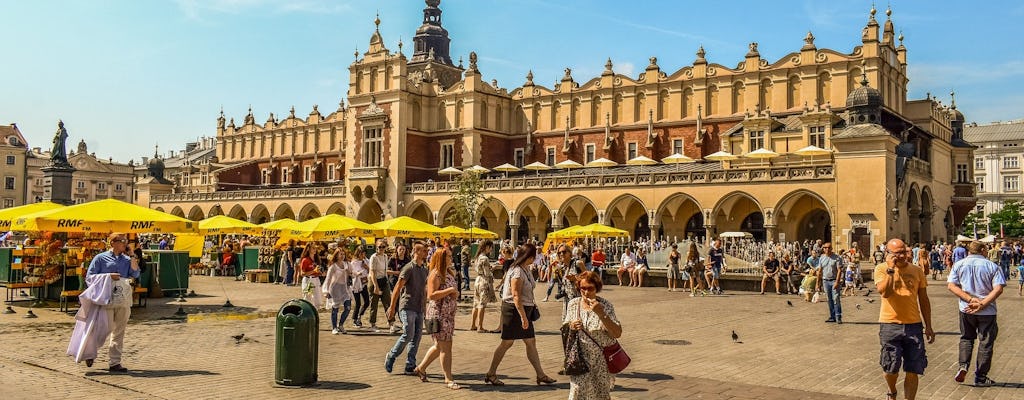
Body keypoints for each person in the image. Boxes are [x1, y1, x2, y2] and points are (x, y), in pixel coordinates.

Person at [483, 243, 556, 386]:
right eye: (533, 257)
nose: (534, 260)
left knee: (530, 341)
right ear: (528, 257)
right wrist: (523, 316)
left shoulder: (525, 269)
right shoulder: (516, 271)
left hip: (524, 309)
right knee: (507, 342)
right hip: (513, 310)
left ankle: (540, 374)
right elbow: (516, 295)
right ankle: (491, 373)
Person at [875, 238, 935, 400]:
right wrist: (890, 269)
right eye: (898, 253)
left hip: (913, 325)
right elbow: (885, 293)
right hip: (889, 324)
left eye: (904, 251)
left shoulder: (916, 271)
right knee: (890, 368)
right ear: (888, 253)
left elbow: (923, 299)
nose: (902, 255)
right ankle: (892, 390)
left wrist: (928, 325)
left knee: (913, 368)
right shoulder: (881, 269)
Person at [947, 241, 1006, 387]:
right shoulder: (992, 266)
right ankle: (980, 377)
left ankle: (963, 366)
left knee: (967, 338)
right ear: (983, 250)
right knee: (985, 343)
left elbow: (951, 286)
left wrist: (969, 299)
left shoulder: (959, 265)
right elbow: (998, 289)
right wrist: (982, 303)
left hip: (966, 308)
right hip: (987, 311)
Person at [82, 232, 140, 372]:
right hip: (106, 298)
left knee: (119, 330)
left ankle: (115, 362)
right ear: (112, 242)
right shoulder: (100, 258)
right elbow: (89, 278)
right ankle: (90, 352)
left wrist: (132, 254)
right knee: (105, 328)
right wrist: (108, 276)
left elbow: (136, 273)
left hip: (123, 298)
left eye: (126, 241)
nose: (125, 243)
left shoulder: (127, 260)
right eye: (121, 241)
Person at [563, 271, 623, 400]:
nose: (586, 292)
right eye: (582, 288)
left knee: (600, 393)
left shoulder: (605, 305)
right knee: (577, 391)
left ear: (597, 288)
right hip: (580, 358)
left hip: (600, 359)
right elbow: (566, 327)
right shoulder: (573, 304)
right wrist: (572, 326)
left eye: (590, 288)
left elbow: (617, 333)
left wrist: (601, 314)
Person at [413, 248, 461, 389]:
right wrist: (450, 291)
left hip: (448, 315)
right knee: (446, 346)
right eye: (449, 257)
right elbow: (431, 295)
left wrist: (454, 294)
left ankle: (420, 368)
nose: (451, 259)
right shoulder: (435, 274)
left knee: (439, 346)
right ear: (441, 258)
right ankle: (448, 378)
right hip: (438, 315)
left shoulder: (449, 273)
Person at [385, 241, 429, 375]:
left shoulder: (424, 269)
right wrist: (392, 308)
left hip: (419, 307)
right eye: (424, 251)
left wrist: (426, 308)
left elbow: (425, 290)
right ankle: (391, 355)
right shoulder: (409, 268)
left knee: (417, 337)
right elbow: (398, 287)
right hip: (407, 306)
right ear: (416, 252)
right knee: (408, 334)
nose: (426, 253)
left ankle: (410, 364)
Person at [322, 249, 353, 335]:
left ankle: (341, 325)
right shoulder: (333, 266)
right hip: (335, 288)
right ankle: (334, 327)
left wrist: (355, 273)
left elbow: (352, 273)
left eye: (343, 254)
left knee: (348, 308)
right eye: (340, 254)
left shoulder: (347, 264)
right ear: (336, 255)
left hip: (344, 288)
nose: (342, 256)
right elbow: (328, 279)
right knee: (335, 308)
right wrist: (326, 290)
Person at [471, 240, 498, 332]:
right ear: (487, 247)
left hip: (477, 280)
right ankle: (480, 326)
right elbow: (487, 273)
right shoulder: (485, 258)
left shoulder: (478, 257)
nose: (491, 250)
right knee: (482, 304)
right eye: (490, 247)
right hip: (484, 281)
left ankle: (473, 324)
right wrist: (492, 269)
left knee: (475, 303)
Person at [816, 242, 844, 324]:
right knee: (829, 299)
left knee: (836, 298)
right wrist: (818, 283)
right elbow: (820, 271)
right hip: (825, 281)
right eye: (825, 248)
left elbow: (839, 270)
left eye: (828, 247)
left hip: (834, 280)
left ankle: (838, 316)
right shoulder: (821, 258)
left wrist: (837, 282)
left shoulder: (837, 258)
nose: (827, 249)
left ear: (831, 248)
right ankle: (832, 316)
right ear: (823, 249)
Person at [367, 241, 391, 333]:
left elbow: (385, 271)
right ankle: (372, 324)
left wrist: (387, 280)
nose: (380, 249)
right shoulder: (373, 257)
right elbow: (372, 272)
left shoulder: (385, 256)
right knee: (374, 303)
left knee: (387, 302)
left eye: (382, 247)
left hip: (384, 280)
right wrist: (376, 287)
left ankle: (391, 322)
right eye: (379, 247)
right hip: (374, 281)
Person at [349, 247, 370, 328]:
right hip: (356, 284)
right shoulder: (354, 262)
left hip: (364, 283)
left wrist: (366, 267)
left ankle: (359, 316)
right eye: (361, 253)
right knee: (358, 303)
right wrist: (357, 273)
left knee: (367, 302)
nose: (362, 255)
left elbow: (371, 271)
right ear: (358, 253)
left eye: (364, 253)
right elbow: (351, 272)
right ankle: (355, 319)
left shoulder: (366, 261)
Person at [298, 245, 323, 309]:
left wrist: (321, 273)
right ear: (308, 249)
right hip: (309, 281)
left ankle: (315, 313)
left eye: (315, 248)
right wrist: (313, 271)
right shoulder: (305, 260)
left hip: (316, 280)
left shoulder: (316, 259)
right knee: (308, 298)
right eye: (313, 248)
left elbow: (317, 271)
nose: (315, 250)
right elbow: (302, 273)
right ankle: (307, 313)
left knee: (318, 300)